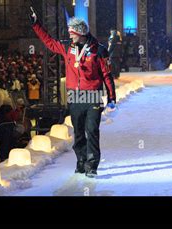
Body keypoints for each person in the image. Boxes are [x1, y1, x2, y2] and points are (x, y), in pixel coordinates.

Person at [30, 9, 116, 178]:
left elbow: (106, 74)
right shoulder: (66, 47)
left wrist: (111, 97)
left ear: (80, 33)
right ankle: (81, 161)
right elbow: (49, 42)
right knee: (78, 133)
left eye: (73, 33)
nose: (70, 36)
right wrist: (35, 24)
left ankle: (92, 165)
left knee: (91, 130)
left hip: (93, 95)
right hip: (75, 96)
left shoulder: (99, 50)